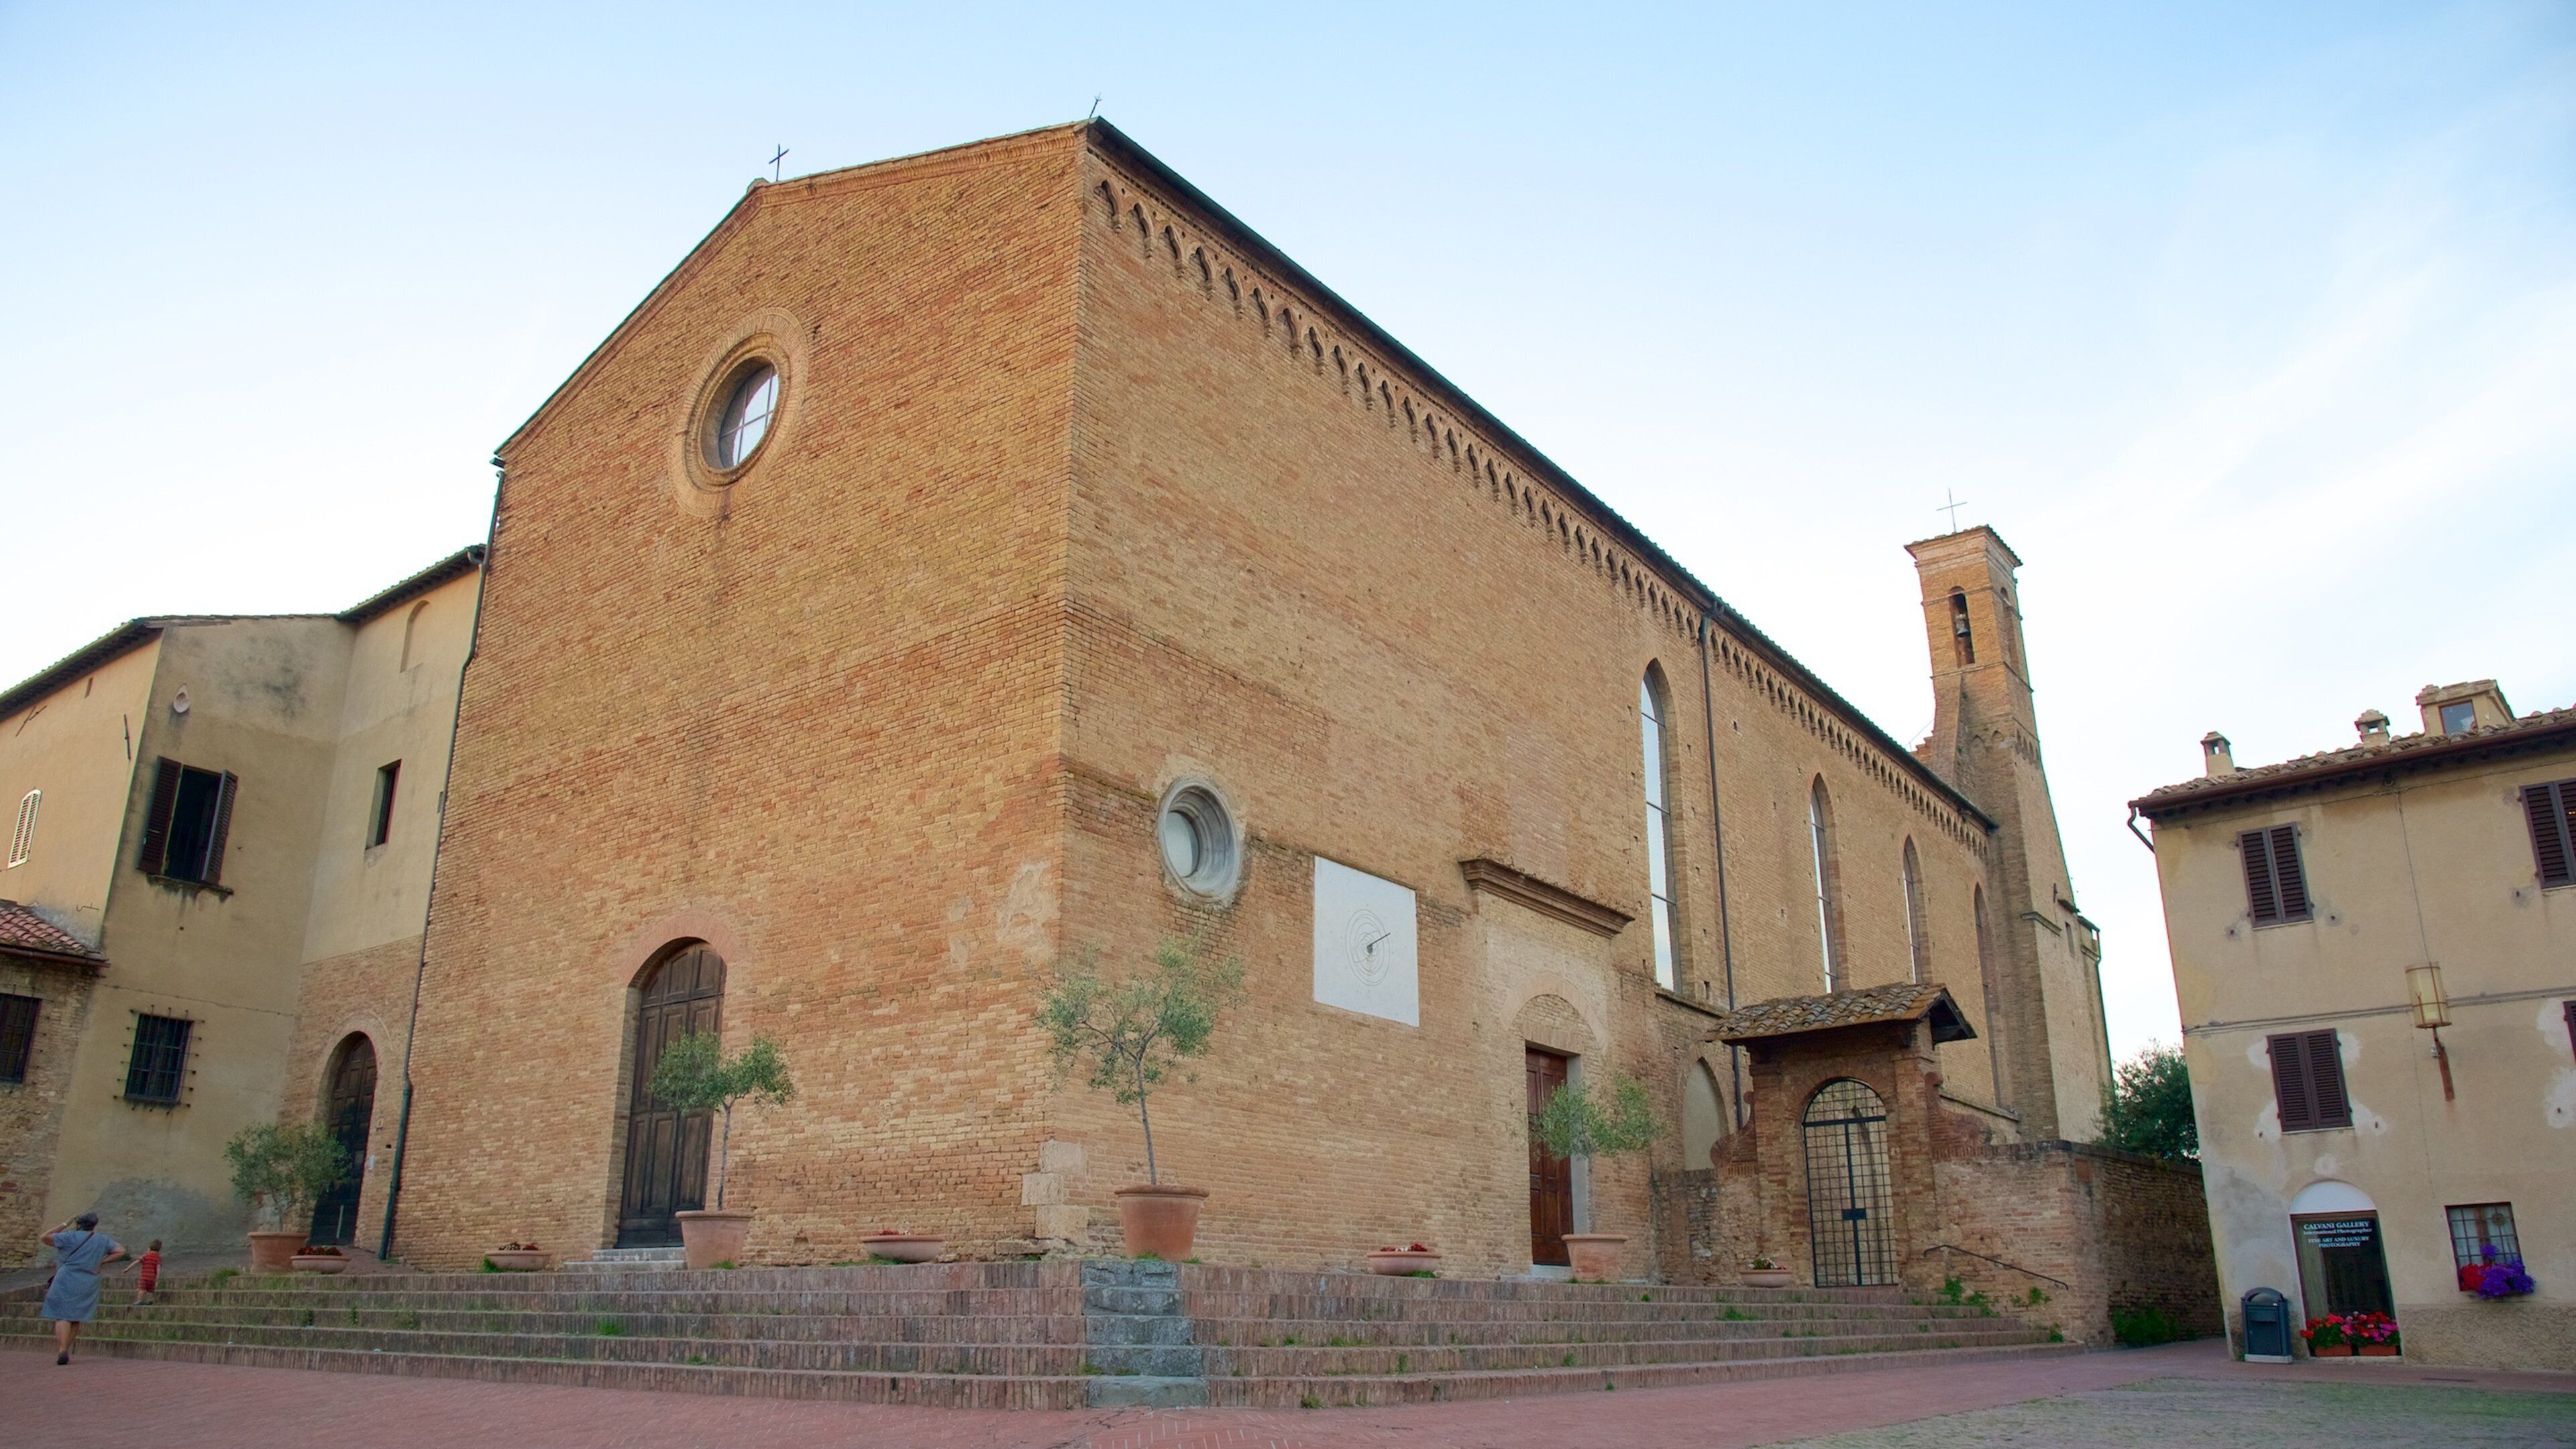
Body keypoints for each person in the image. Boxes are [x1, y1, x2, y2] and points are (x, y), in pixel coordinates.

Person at [40, 1213, 126, 1364]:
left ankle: (62, 1349)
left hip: (67, 1277)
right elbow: (121, 1251)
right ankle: (66, 1348)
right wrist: (102, 1261)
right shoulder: (102, 1239)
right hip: (89, 1279)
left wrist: (65, 1224)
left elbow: (45, 1237)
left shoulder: (69, 1236)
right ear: (94, 1224)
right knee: (76, 1316)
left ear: (79, 1224)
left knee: (62, 1315)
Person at [129, 1239, 163, 1305]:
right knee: (150, 1290)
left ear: (149, 1248)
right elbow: (158, 1268)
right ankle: (150, 1300)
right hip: (152, 1277)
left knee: (141, 1290)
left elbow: (136, 1262)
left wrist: (128, 1269)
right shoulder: (158, 1258)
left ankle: (139, 1300)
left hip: (144, 1277)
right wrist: (157, 1278)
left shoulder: (145, 1256)